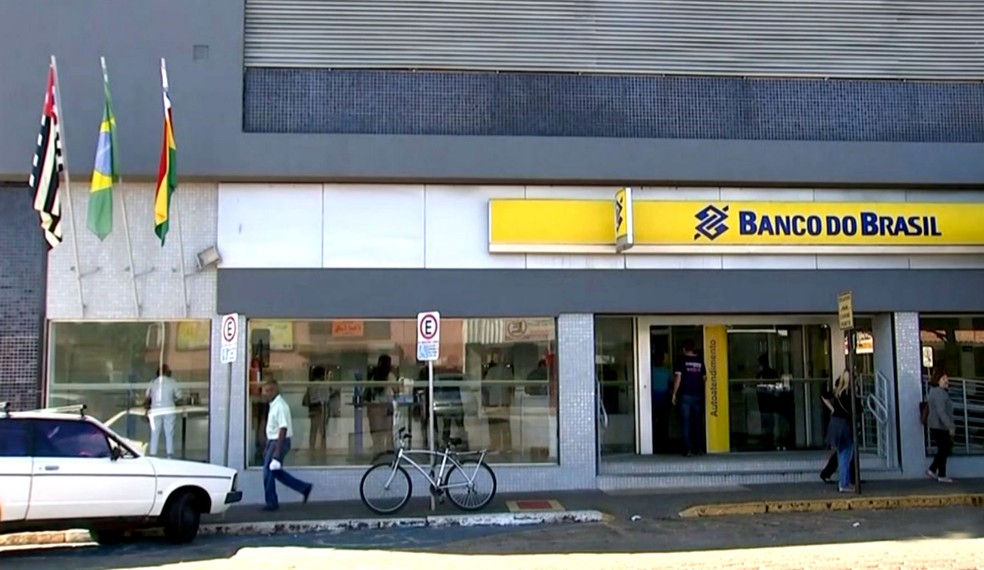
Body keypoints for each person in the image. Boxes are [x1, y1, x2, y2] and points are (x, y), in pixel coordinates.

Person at [262, 379, 313, 511]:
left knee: (268, 473)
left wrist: (277, 452)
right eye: (266, 391)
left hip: (278, 442)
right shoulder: (274, 405)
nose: (267, 393)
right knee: (275, 472)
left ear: (276, 390)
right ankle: (303, 487)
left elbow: (283, 429)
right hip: (272, 442)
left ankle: (271, 503)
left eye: (270, 390)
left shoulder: (280, 406)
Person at [821, 371, 855, 493]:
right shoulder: (849, 393)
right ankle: (844, 483)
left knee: (841, 453)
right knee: (846, 454)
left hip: (835, 424)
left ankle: (845, 481)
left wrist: (833, 409)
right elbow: (857, 408)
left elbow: (824, 395)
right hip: (845, 425)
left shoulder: (837, 391)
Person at [672, 339, 706, 457]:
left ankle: (688, 449)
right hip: (697, 395)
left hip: (685, 395)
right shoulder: (700, 360)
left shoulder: (681, 361)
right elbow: (704, 378)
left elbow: (678, 378)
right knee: (697, 423)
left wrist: (674, 394)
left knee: (686, 423)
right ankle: (699, 448)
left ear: (683, 349)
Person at [926, 370, 956, 483]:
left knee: (943, 449)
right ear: (937, 381)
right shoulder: (939, 393)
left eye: (946, 378)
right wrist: (950, 426)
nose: (946, 381)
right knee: (944, 449)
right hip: (940, 426)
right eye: (943, 379)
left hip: (937, 425)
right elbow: (941, 412)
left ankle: (933, 470)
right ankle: (940, 474)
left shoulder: (936, 392)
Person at [146, 364, 182, 458]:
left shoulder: (153, 382)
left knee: (154, 432)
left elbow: (147, 396)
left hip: (155, 411)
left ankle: (153, 454)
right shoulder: (172, 382)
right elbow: (179, 396)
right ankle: (169, 455)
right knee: (169, 433)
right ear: (167, 372)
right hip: (169, 410)